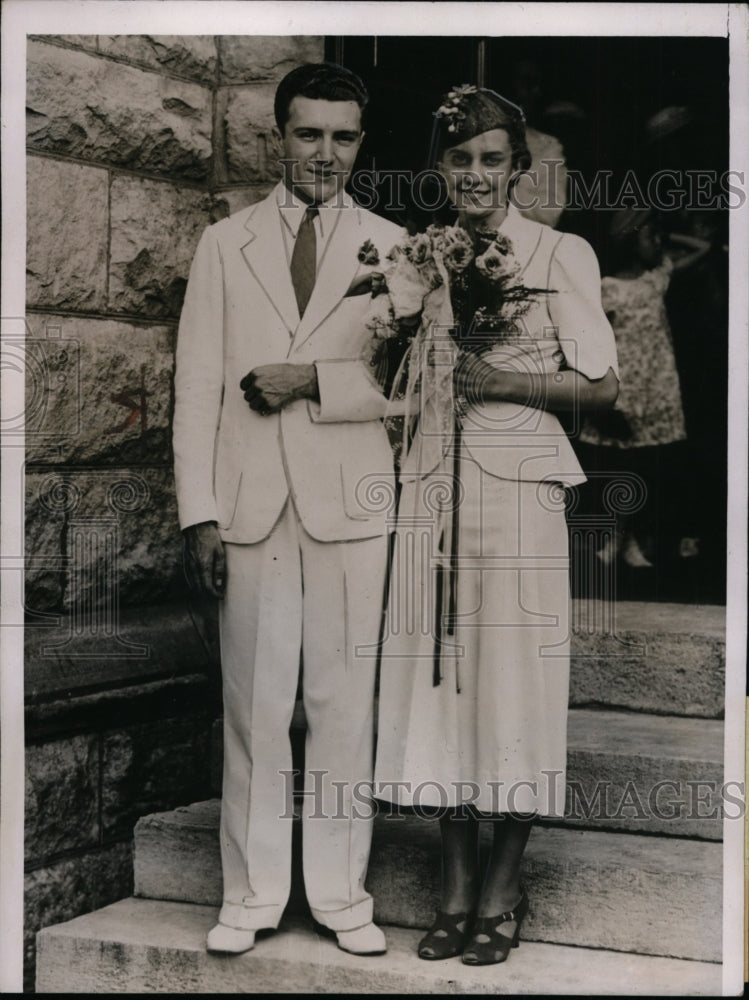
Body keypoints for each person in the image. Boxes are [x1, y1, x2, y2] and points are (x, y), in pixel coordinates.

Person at [374, 85, 619, 965]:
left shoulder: (562, 252)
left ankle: (503, 887)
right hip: (433, 484)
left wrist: (508, 384)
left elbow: (601, 387)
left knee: (512, 681)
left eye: (491, 159)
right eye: (458, 158)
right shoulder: (419, 254)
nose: (475, 175)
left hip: (520, 487)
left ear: (518, 167)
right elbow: (390, 368)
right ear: (438, 169)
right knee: (441, 681)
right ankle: (450, 889)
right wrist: (400, 324)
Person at [172, 62, 404, 957]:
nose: (325, 154)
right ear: (278, 137)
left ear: (359, 143)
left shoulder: (396, 249)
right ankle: (253, 892)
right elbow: (195, 387)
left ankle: (343, 894)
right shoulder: (224, 243)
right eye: (308, 135)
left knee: (343, 704)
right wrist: (200, 512)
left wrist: (311, 380)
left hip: (351, 506)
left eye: (343, 137)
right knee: (255, 707)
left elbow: (409, 393)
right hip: (251, 509)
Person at [577, 207, 710, 570]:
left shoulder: (655, 280)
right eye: (649, 236)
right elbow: (591, 342)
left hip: (655, 391)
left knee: (647, 468)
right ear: (628, 240)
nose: (658, 244)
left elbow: (702, 248)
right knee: (620, 469)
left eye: (658, 237)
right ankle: (613, 536)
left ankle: (630, 538)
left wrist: (662, 236)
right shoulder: (608, 288)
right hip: (623, 392)